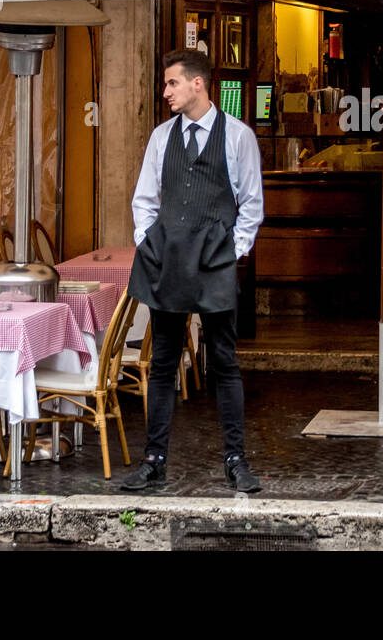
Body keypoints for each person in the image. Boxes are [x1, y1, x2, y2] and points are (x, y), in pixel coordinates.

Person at [120, 49, 264, 492]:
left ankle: (236, 461)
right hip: (170, 260)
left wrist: (233, 252)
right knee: (163, 362)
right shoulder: (162, 137)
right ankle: (154, 460)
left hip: (216, 261)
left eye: (172, 83)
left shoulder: (238, 136)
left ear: (198, 84)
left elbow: (252, 204)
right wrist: (151, 245)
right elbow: (144, 199)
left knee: (224, 362)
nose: (165, 92)